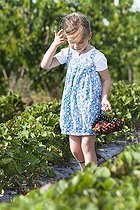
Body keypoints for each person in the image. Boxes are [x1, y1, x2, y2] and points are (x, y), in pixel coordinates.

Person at [41, 12, 111, 169]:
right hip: (71, 106)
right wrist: (54, 45)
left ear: (89, 36)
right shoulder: (68, 53)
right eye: (72, 42)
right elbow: (45, 65)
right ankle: (85, 170)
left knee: (86, 145)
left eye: (80, 41)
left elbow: (106, 79)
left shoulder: (97, 56)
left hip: (90, 106)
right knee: (75, 149)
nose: (76, 46)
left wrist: (104, 98)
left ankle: (91, 179)